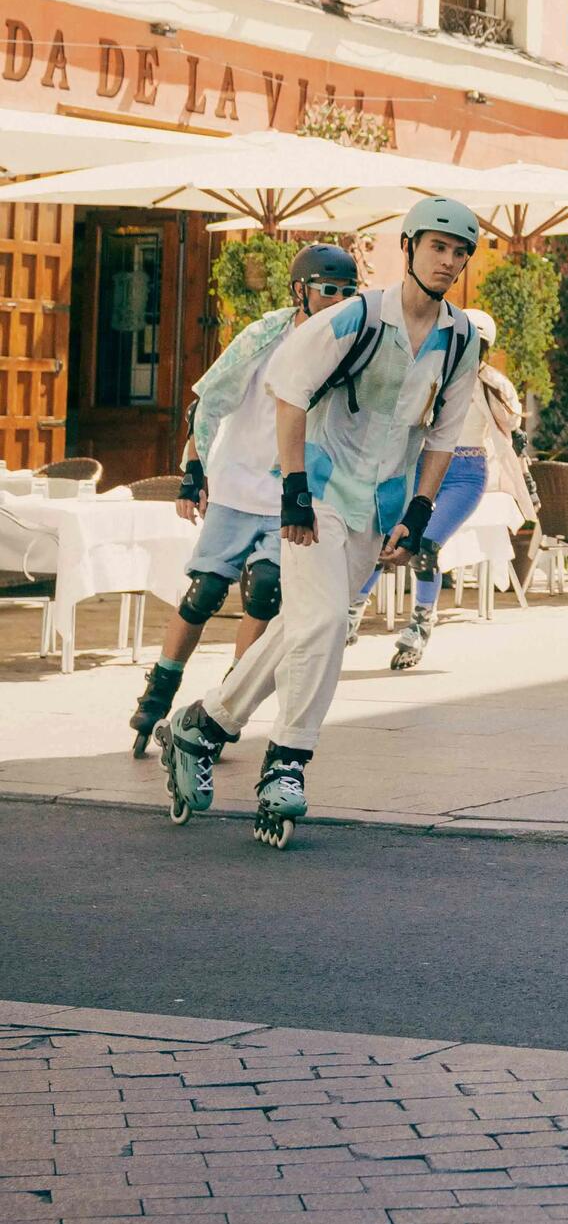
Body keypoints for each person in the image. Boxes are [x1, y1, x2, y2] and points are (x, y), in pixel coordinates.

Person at [156, 197, 482, 847]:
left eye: (460, 252)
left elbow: (444, 433)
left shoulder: (462, 338)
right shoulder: (358, 316)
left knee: (303, 628)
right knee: (328, 623)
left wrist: (418, 513)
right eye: (438, 246)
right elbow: (288, 385)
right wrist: (295, 491)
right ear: (410, 246)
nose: (449, 260)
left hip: (375, 507)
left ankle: (201, 724)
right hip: (317, 494)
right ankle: (287, 765)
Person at [129, 243, 361, 759]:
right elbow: (213, 397)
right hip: (237, 481)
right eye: (329, 290)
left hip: (295, 494)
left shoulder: (353, 345)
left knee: (266, 592)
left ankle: (223, 704)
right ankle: (158, 692)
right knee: (205, 591)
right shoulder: (265, 334)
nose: (340, 300)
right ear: (300, 291)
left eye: (349, 293)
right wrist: (194, 466)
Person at [349, 307, 531, 669]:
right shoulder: (432, 371)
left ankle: (419, 626)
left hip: (466, 473)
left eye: (474, 344)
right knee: (389, 537)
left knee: (426, 546)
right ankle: (352, 611)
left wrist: (487, 383)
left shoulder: (491, 382)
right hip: (423, 467)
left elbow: (511, 419)